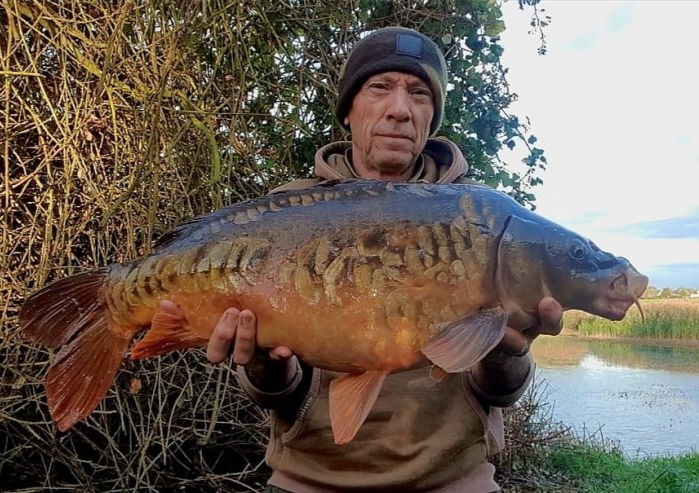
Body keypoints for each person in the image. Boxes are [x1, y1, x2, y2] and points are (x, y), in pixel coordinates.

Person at [206, 27, 563, 492]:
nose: (399, 109)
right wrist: (264, 367)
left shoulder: (486, 221)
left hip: (454, 481)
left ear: (432, 117)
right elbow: (274, 395)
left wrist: (504, 353)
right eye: (379, 87)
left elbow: (501, 392)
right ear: (348, 110)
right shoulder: (282, 214)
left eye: (419, 93)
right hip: (308, 481)